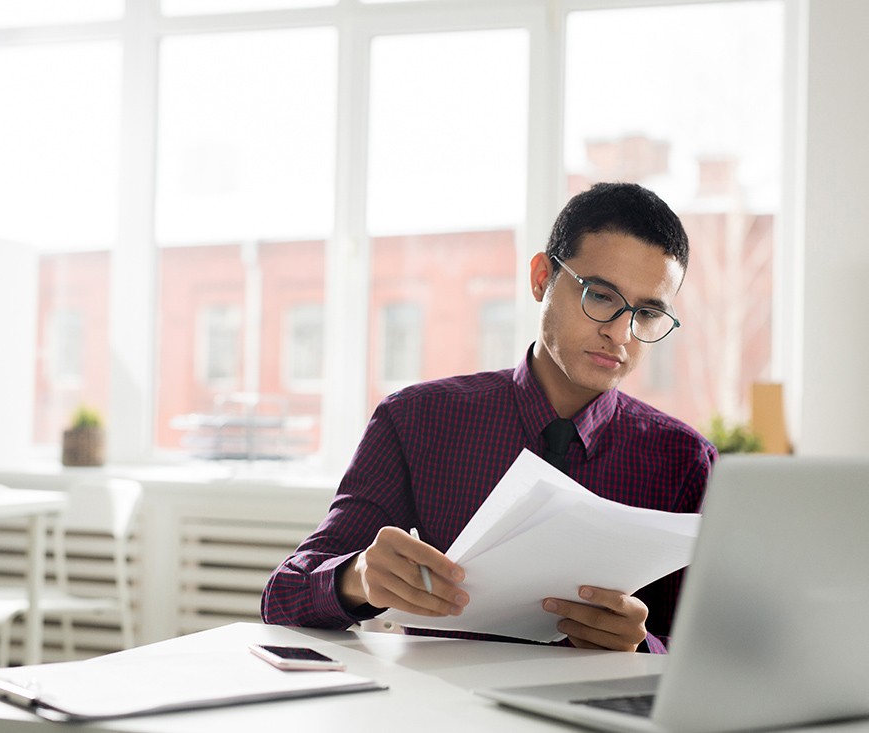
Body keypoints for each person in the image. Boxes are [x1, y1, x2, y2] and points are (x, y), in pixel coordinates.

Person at [261, 182, 717, 653]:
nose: (620, 334)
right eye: (600, 297)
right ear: (542, 277)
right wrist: (357, 578)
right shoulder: (417, 419)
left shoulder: (685, 460)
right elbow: (282, 598)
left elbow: (710, 653)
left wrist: (641, 646)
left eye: (646, 314)